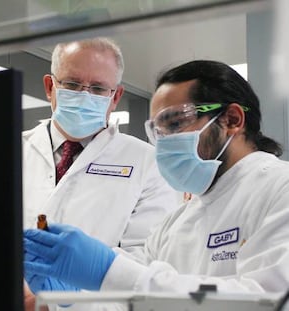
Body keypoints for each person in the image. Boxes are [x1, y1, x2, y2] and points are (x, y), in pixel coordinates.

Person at [24, 60, 289, 301]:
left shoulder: (280, 188)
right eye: (157, 131)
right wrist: (68, 301)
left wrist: (109, 271)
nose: (163, 143)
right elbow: (132, 303)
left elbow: (268, 300)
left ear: (232, 119)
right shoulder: (177, 221)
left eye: (174, 124)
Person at [22, 38, 178, 309]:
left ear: (115, 96)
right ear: (50, 87)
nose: (84, 95)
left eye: (97, 88)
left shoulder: (149, 163)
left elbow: (144, 261)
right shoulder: (9, 150)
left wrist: (60, 304)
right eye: (72, 84)